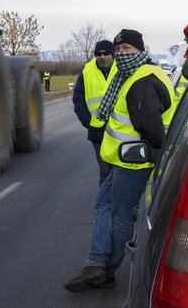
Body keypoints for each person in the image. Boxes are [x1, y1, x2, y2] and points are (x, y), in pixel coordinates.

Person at [64, 29, 175, 293]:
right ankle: (98, 263)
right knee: (103, 203)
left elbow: (153, 131)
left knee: (121, 216)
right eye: (118, 49)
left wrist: (154, 160)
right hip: (121, 159)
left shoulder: (143, 80)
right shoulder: (130, 73)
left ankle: (104, 270)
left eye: (127, 48)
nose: (121, 53)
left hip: (135, 162)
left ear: (140, 49)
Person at [72, 40, 117, 186]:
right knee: (106, 172)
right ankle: (105, 208)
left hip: (124, 131)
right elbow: (78, 99)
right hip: (98, 131)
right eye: (98, 54)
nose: (102, 57)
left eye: (106, 53)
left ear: (113, 54)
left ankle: (121, 207)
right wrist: (88, 122)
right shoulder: (87, 71)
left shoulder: (122, 67)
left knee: (123, 173)